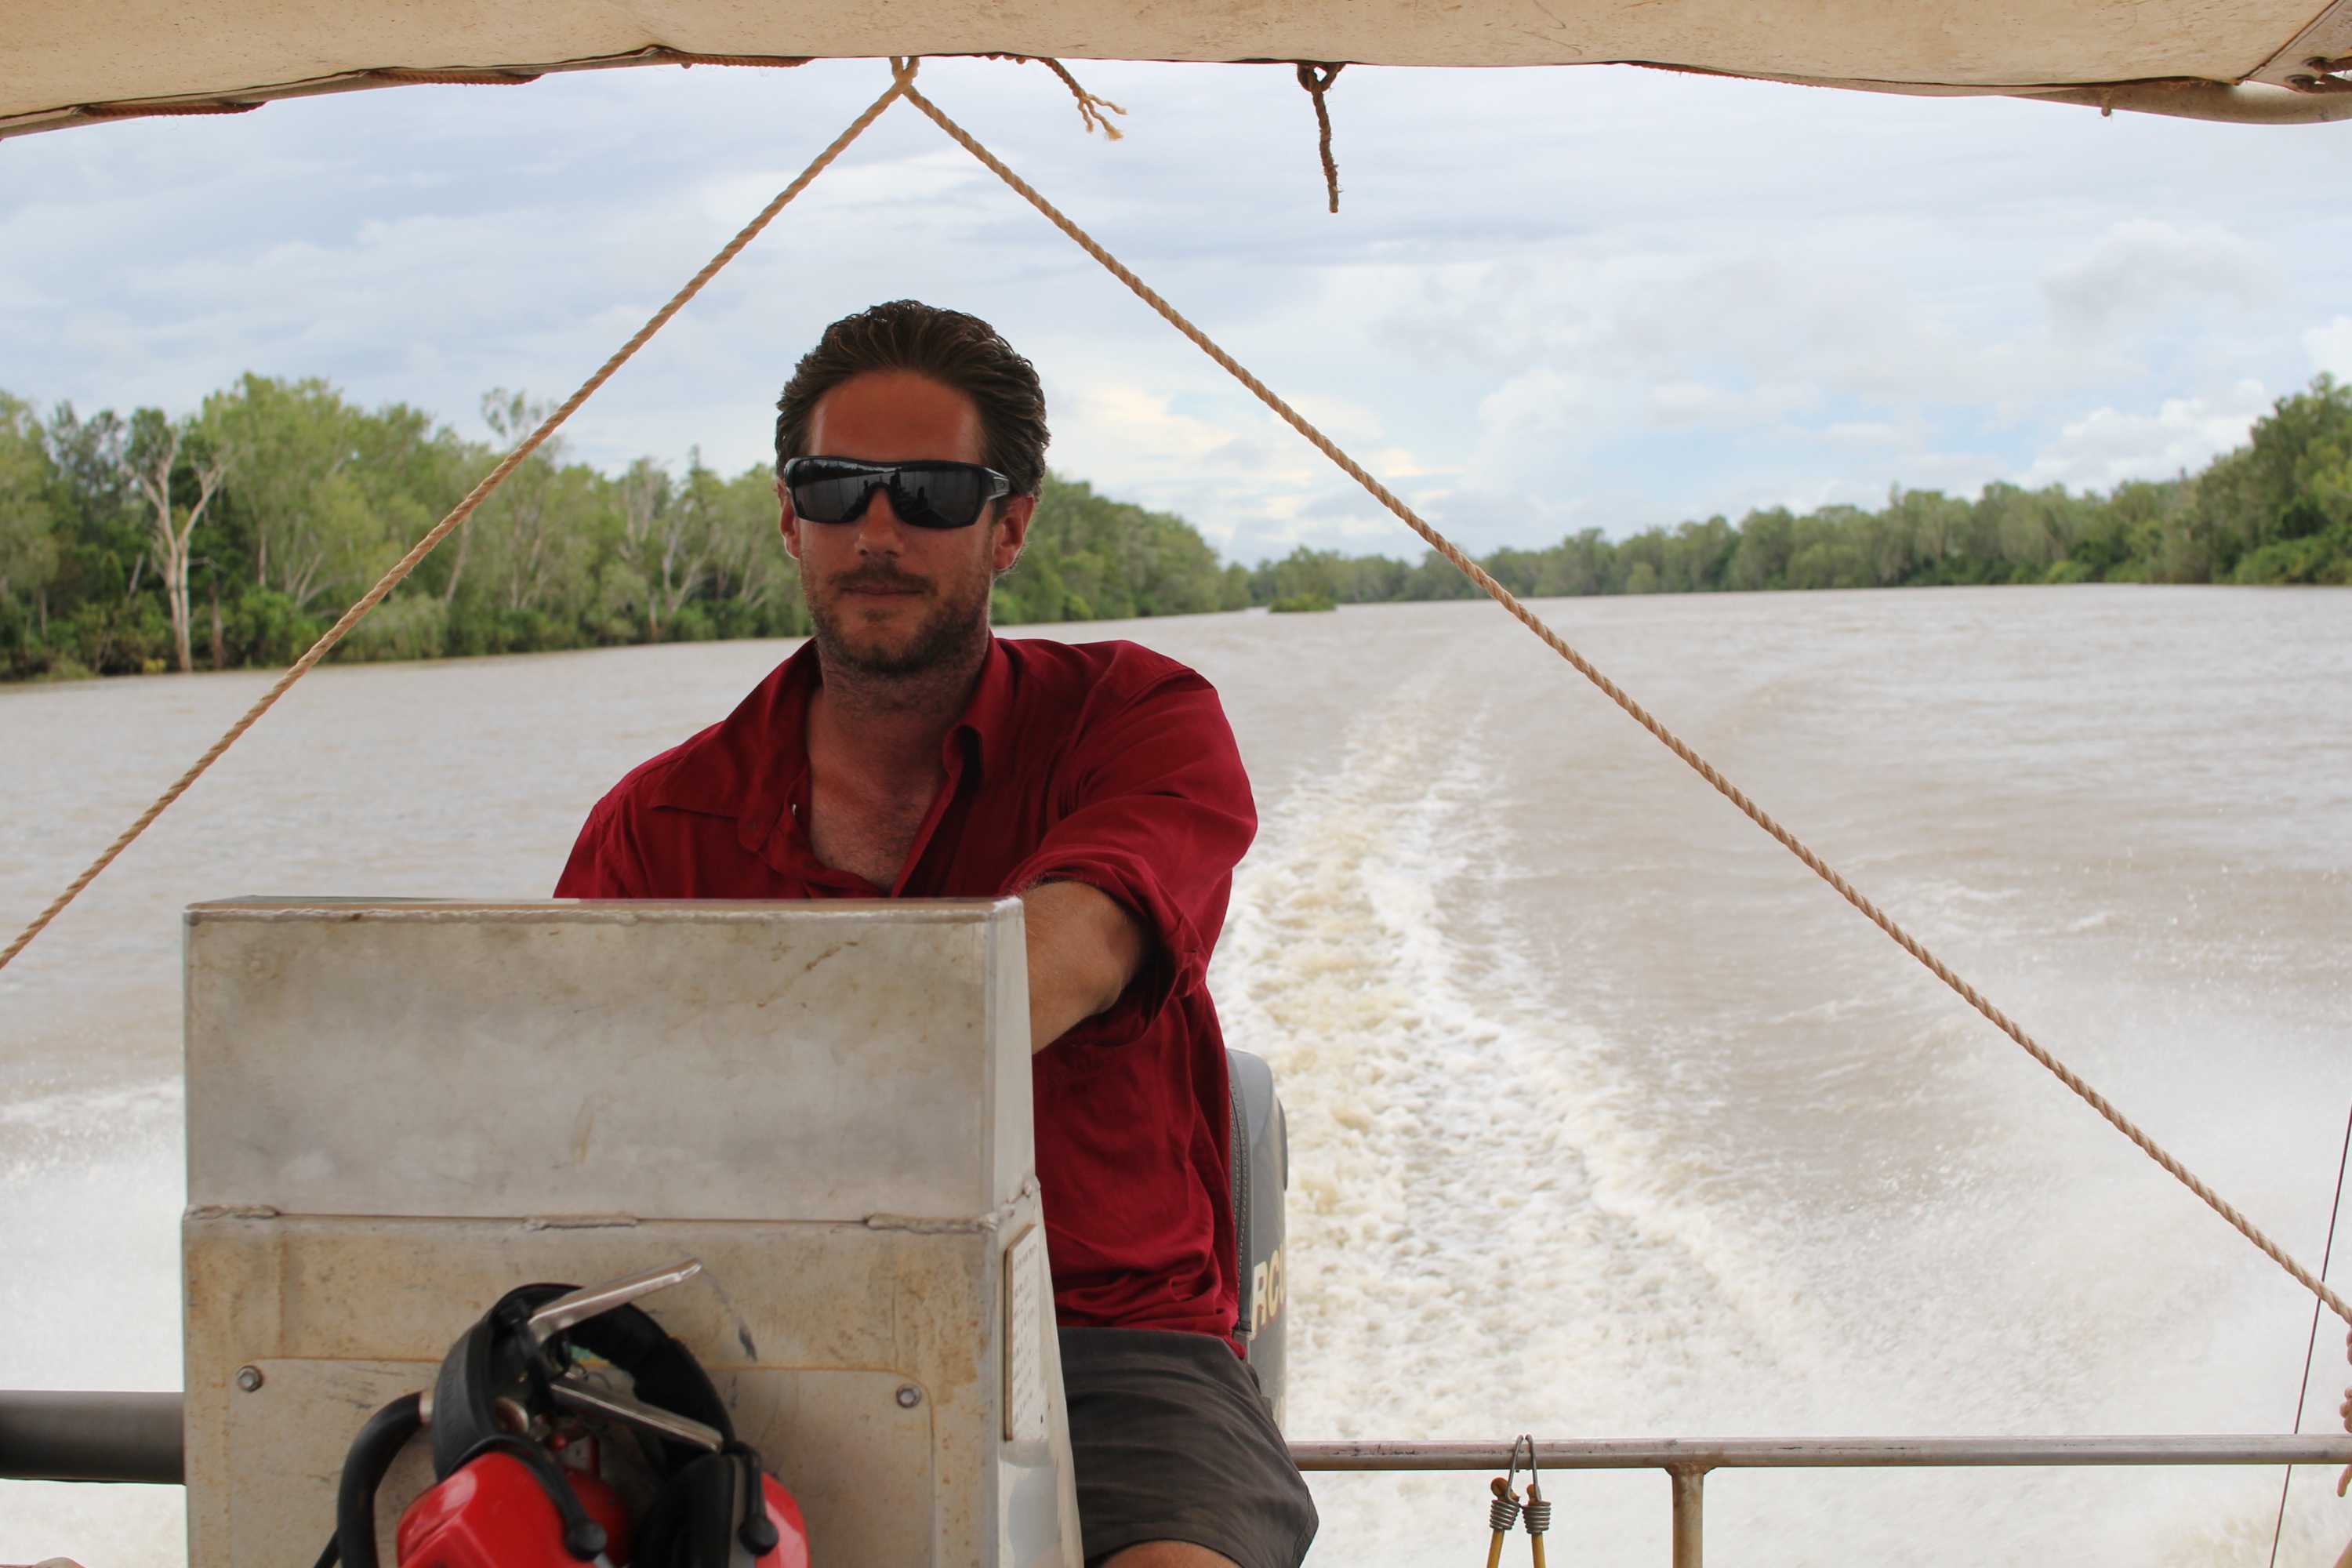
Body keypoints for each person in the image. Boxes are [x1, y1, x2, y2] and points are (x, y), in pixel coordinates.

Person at [555, 299, 1317, 1568]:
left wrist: (745, 1072)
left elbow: (1055, 963)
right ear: (788, 515)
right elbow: (562, 1122)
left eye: (932, 493)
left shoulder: (1137, 722)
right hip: (749, 1354)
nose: (878, 530)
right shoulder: (658, 823)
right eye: (837, 486)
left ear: (1010, 524)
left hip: (1108, 1354)